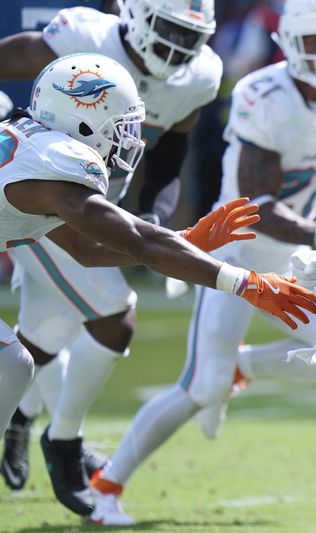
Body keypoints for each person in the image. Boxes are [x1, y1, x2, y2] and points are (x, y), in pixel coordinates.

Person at [87, 0, 316, 525]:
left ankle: (245, 364)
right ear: (288, 42)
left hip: (296, 259)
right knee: (201, 387)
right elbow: (258, 209)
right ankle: (106, 485)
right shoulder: (260, 95)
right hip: (236, 260)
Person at [0, 51, 316, 515]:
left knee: (13, 363)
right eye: (120, 126)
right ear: (82, 119)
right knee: (11, 364)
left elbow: (89, 249)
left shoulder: (35, 157)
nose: (128, 139)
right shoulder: (55, 164)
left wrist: (185, 240)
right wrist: (245, 282)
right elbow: (138, 240)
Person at [0, 0, 225, 502]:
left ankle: (22, 416)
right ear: (140, 16)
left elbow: (169, 154)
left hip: (85, 207)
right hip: (47, 204)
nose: (181, 47)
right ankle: (65, 444)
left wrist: (158, 222)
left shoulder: (200, 76)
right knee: (112, 314)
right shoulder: (85, 39)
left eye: (193, 36)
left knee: (43, 332)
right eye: (170, 30)